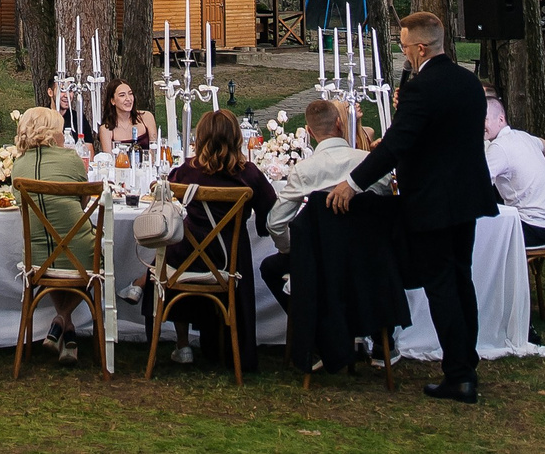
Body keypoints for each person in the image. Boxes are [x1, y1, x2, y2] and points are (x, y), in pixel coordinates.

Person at [326, 11, 497, 403]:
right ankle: (466, 365)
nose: (403, 55)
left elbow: (397, 145)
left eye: (404, 48)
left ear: (421, 48)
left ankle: (458, 374)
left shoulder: (422, 89)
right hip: (468, 196)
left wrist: (353, 183)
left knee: (441, 286)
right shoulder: (469, 83)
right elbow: (445, 135)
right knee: (460, 279)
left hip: (433, 200)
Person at [159, 108, 275, 366]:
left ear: (200, 138)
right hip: (229, 260)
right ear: (237, 138)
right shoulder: (250, 174)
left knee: (165, 255)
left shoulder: (187, 171)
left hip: (188, 258)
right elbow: (270, 213)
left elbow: (168, 196)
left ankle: (182, 343)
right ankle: (236, 346)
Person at [259, 99, 368, 308]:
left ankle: (307, 324)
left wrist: (290, 249)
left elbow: (275, 223)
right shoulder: (369, 162)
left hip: (320, 259)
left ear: (308, 131)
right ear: (340, 123)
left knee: (270, 267)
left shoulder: (305, 170)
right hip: (369, 257)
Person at [6, 104, 92, 364]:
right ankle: (65, 321)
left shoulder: (18, 167)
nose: (64, 135)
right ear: (51, 133)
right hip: (81, 254)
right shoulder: (70, 159)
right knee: (82, 248)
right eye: (61, 130)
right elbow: (83, 202)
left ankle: (61, 322)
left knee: (53, 244)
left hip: (39, 257)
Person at [483, 94, 545, 249]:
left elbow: (479, 187)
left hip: (530, 227)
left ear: (501, 119)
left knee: (472, 232)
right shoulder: (523, 137)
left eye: (484, 119)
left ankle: (492, 273)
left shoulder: (498, 148)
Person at [95, 82, 158, 157]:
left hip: (147, 166)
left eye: (130, 94)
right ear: (112, 101)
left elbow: (155, 151)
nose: (128, 99)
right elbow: (109, 160)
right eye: (122, 95)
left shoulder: (146, 117)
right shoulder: (106, 129)